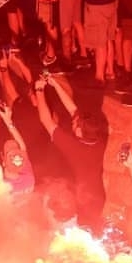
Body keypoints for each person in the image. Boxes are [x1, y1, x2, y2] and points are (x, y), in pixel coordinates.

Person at [33, 75, 107, 231]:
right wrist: (55, 84)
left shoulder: (74, 147)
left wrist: (39, 90)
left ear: (79, 131)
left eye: (74, 123)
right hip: (98, 196)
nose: (72, 121)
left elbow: (46, 120)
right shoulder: (100, 138)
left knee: (80, 234)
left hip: (85, 201)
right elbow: (74, 110)